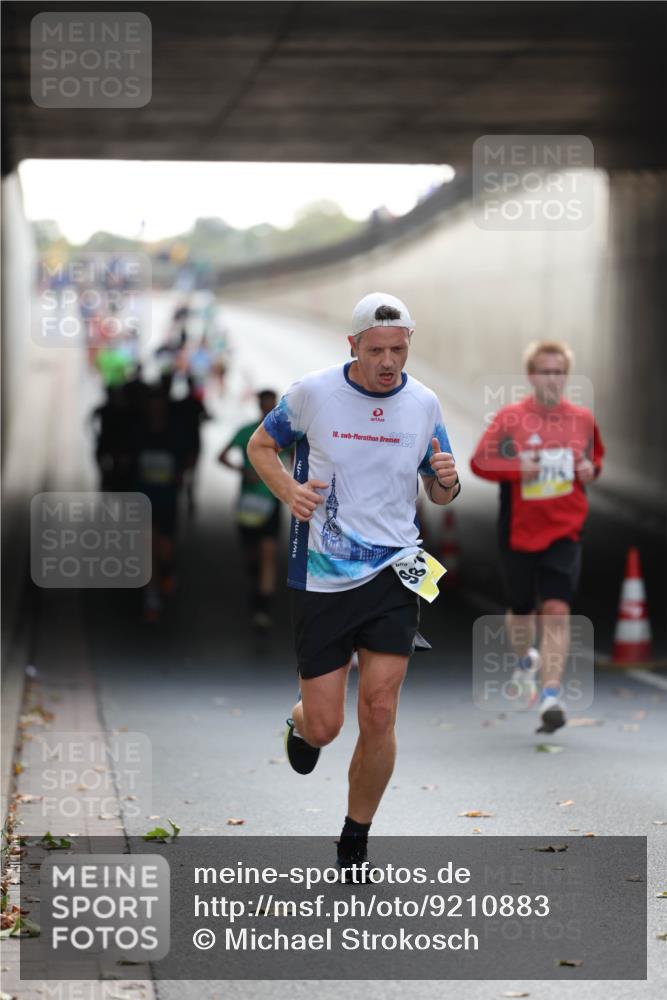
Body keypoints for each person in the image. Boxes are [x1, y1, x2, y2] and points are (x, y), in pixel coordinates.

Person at [247, 292, 460, 877]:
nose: (388, 362)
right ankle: (301, 723)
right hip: (322, 576)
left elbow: (440, 488)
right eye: (376, 351)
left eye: (398, 350)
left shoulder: (423, 403)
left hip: (395, 572)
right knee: (327, 725)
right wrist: (289, 492)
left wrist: (446, 482)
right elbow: (260, 446)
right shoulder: (313, 394)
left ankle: (355, 837)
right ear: (354, 346)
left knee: (381, 709)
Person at [470, 340, 604, 734]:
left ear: (566, 376)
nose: (552, 379)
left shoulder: (582, 419)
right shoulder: (511, 418)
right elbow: (479, 462)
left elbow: (595, 459)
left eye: (559, 372)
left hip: (565, 528)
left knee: (557, 609)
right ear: (531, 376)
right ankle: (525, 658)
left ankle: (550, 695)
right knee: (521, 609)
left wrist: (590, 470)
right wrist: (516, 468)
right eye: (545, 371)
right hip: (520, 529)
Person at [219, 391, 282, 631]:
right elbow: (221, 456)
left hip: (271, 502)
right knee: (252, 556)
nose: (268, 411)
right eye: (265, 406)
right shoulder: (246, 432)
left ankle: (262, 607)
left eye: (272, 406)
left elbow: (300, 458)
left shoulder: (284, 434)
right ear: (259, 406)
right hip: (248, 503)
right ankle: (256, 585)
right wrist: (243, 471)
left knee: (268, 553)